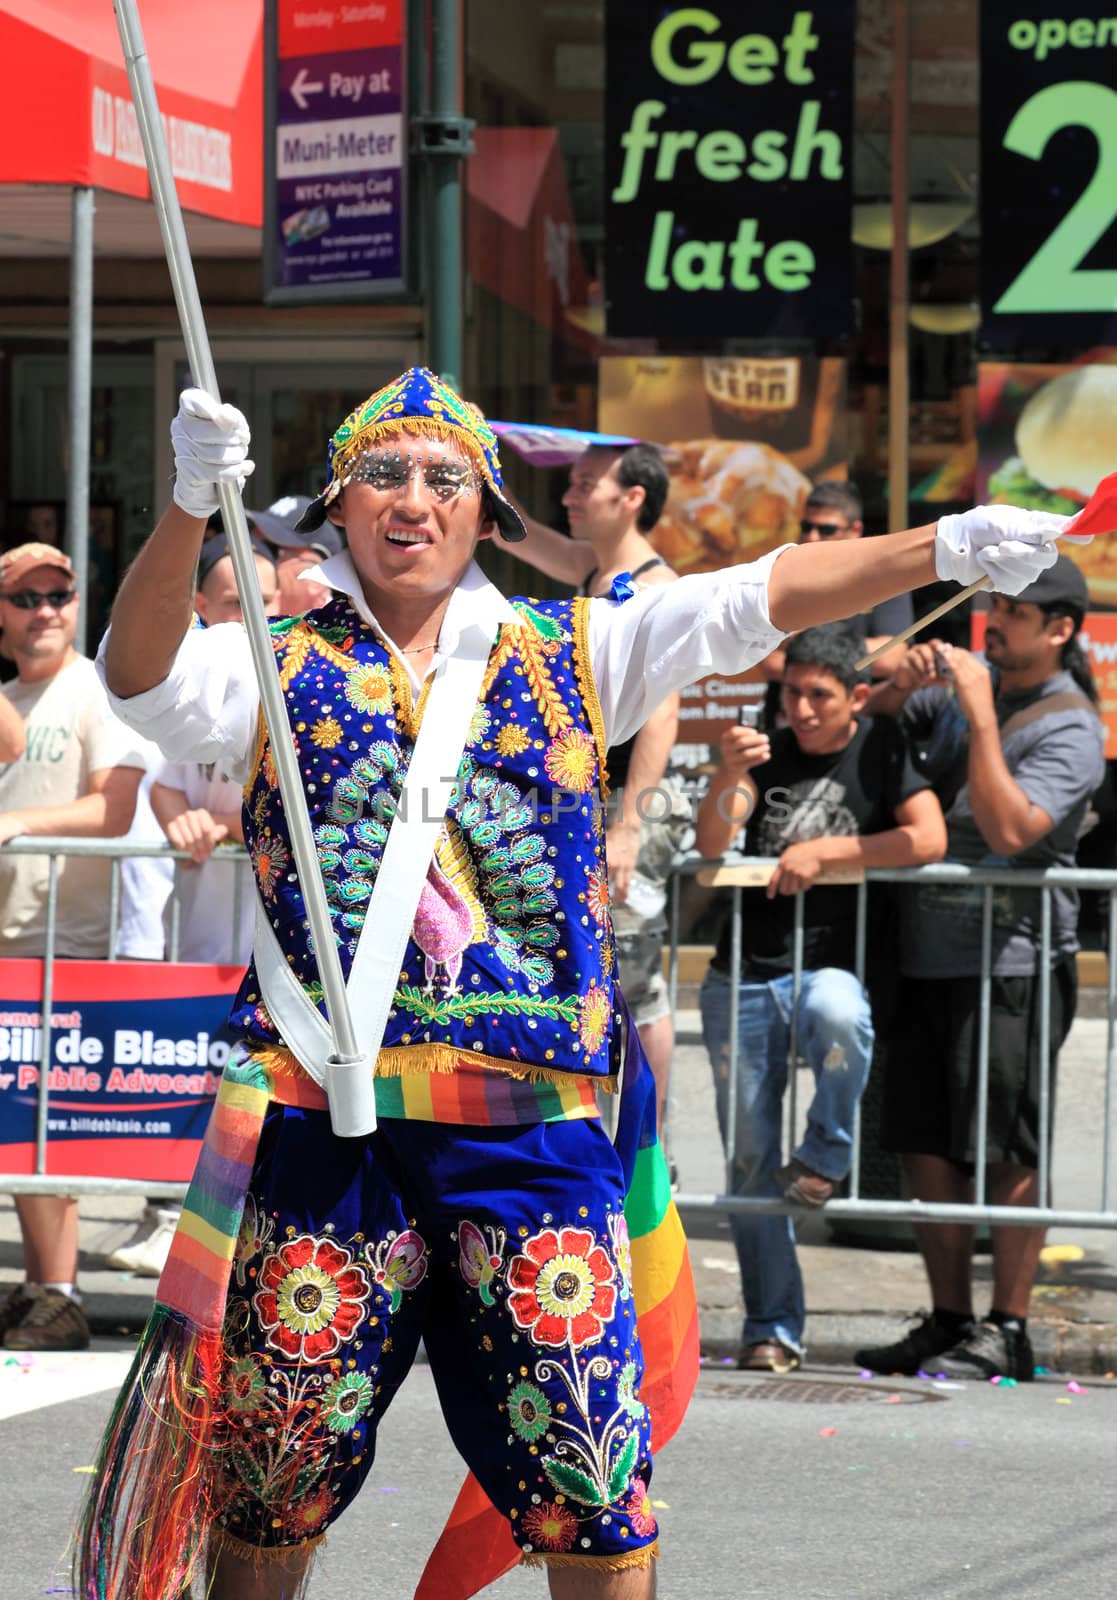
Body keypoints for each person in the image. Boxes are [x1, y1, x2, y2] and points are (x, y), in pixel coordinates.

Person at [80, 365, 1063, 1600]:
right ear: (338, 501)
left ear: (487, 513)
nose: (413, 499)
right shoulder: (266, 667)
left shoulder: (578, 647)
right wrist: (185, 503)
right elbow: (135, 676)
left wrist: (948, 537)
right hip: (324, 1129)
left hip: (527, 1132)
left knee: (594, 1483)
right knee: (275, 1473)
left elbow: (758, 593)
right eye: (383, 472)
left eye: (446, 478)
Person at [857, 556, 1105, 1382]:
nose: (991, 623)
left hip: (1014, 963)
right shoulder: (974, 686)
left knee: (1006, 1149)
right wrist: (903, 663)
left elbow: (1009, 831)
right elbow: (872, 695)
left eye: (1013, 612)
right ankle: (948, 1317)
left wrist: (978, 714)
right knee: (926, 1146)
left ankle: (1009, 1326)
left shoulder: (1068, 725)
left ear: (1061, 629)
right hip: (925, 953)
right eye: (990, 605)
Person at [694, 626, 946, 1373]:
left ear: (857, 698)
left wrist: (827, 852)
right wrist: (726, 776)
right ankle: (771, 1326)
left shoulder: (880, 748)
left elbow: (926, 837)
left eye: (818, 696)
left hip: (827, 966)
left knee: (842, 1015)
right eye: (790, 692)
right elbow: (712, 848)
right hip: (742, 972)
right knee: (746, 1160)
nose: (800, 709)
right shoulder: (762, 748)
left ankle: (825, 1152)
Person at [107, 533, 277, 1279]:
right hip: (200, 933)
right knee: (183, 1079)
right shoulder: (197, 678)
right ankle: (168, 1217)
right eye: (239, 602)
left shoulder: (298, 681)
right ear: (202, 609)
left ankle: (251, 1234)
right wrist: (180, 813)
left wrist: (237, 824)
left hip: (273, 945)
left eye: (265, 602)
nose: (255, 616)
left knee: (256, 1087)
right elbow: (169, 780)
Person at [511, 445, 682, 1132]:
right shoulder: (592, 568)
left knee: (636, 982)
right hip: (583, 801)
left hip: (626, 806)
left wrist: (628, 826)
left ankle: (646, 1147)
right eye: (572, 484)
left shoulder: (653, 586)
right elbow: (523, 535)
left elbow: (662, 708)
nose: (571, 497)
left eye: (587, 485)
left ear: (632, 497)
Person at [0, 543, 145, 1352]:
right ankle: (35, 1285)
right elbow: (14, 746)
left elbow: (113, 811)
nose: (45, 609)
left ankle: (59, 1291)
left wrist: (17, 825)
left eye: (58, 594)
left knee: (41, 1115)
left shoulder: (92, 689)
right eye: (25, 598)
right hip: (14, 936)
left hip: (65, 940)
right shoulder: (15, 697)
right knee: (19, 1115)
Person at [248, 492, 341, 615]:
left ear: (315, 581)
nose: (253, 557)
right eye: (252, 544)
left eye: (269, 549)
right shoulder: (229, 628)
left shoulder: (348, 632)